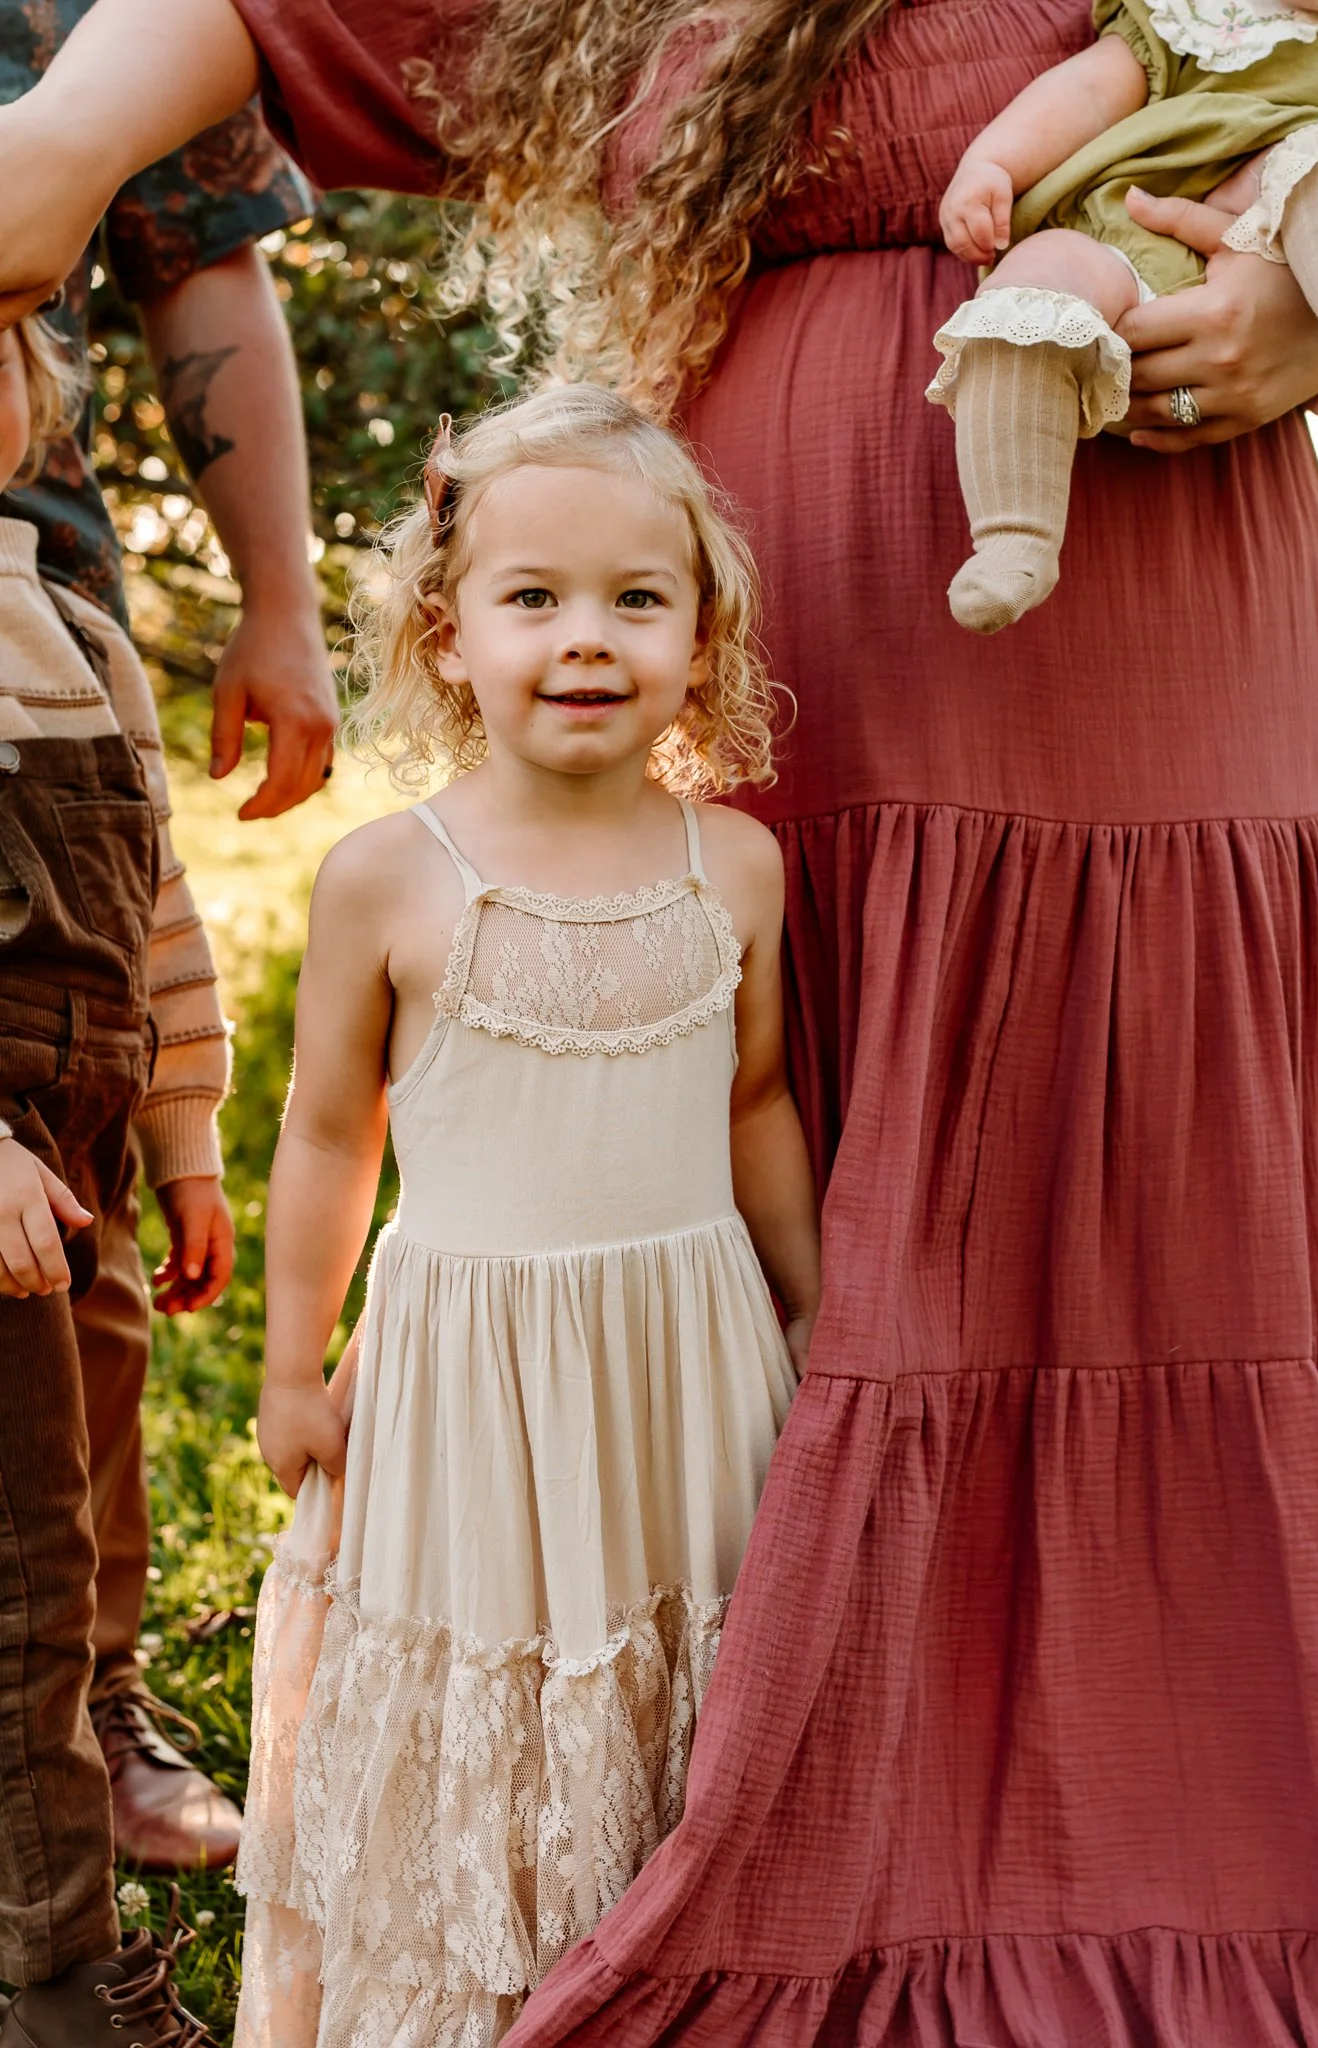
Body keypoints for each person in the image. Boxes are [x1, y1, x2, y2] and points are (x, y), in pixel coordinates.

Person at [4, 4, 1318, 2043]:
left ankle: (1171, 1849)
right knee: (805, 1212)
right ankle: (831, 1832)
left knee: (1155, 1235)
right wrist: (60, 146)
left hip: (1148, 647)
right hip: (785, 675)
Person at [232, 384, 818, 2047]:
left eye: (638, 599)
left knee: (674, 1683)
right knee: (487, 1695)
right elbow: (333, 1131)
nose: (587, 639)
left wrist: (815, 1298)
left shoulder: (738, 870)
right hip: (470, 1375)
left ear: (702, 635)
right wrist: (292, 1362)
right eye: (534, 597)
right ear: (447, 631)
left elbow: (757, 1101)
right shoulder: (392, 875)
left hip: (682, 1360)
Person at [0, 4, 338, 1876]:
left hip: (36, 636)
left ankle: (87, 1701)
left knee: (79, 1279)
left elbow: (203, 257)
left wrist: (276, 603)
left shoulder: (87, 8)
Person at [0, 313, 223, 2043]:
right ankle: (64, 1983)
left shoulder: (73, 627)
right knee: (19, 1592)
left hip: (83, 1173)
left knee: (72, 1550)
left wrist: (189, 1137)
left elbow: (155, 907)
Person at [929, 0, 1318, 630]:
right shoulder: (1198, 12)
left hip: (1290, 267)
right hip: (1124, 230)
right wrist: (994, 162)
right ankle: (1012, 537)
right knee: (1031, 291)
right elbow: (1087, 92)